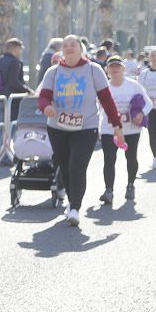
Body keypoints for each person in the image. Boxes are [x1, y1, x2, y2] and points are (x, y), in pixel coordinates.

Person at [38, 35, 124, 227]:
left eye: (73, 45)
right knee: (66, 167)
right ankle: (72, 200)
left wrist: (117, 126)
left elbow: (106, 100)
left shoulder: (93, 70)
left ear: (81, 49)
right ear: (61, 50)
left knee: (77, 166)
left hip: (86, 127)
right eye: (65, 45)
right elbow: (43, 97)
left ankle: (75, 207)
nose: (69, 48)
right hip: (57, 127)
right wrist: (46, 108)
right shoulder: (53, 72)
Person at [98, 55, 151, 203]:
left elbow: (149, 103)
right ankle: (109, 190)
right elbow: (96, 108)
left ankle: (130, 185)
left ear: (123, 69)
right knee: (109, 159)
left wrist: (141, 113)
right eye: (111, 67)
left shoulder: (133, 85)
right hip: (109, 129)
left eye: (117, 67)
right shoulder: (103, 88)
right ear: (107, 70)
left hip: (131, 129)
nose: (115, 70)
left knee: (131, 157)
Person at [0, 38, 33, 164]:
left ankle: (1, 153)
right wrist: (28, 90)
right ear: (15, 48)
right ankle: (8, 154)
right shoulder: (15, 62)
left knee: (2, 127)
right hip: (12, 100)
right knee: (12, 127)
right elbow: (14, 81)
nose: (20, 51)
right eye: (20, 48)